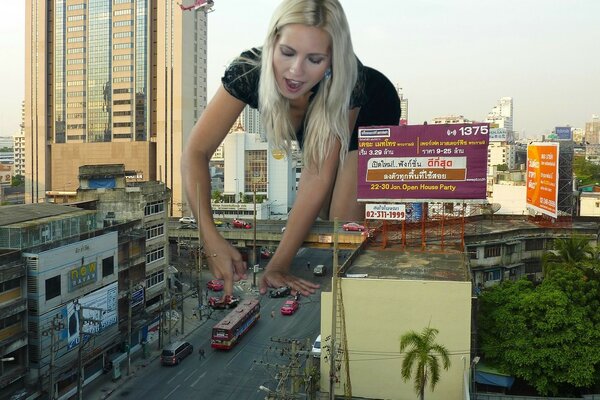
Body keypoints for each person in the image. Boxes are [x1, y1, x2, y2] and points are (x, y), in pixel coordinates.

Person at [181, 0, 400, 298]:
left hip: (369, 114)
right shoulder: (248, 71)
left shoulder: (349, 81)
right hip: (317, 123)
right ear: (272, 43)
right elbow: (195, 153)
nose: (295, 71)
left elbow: (316, 175)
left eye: (314, 59)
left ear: (332, 60)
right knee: (322, 217)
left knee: (340, 224)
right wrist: (210, 239)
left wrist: (278, 265)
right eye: (287, 53)